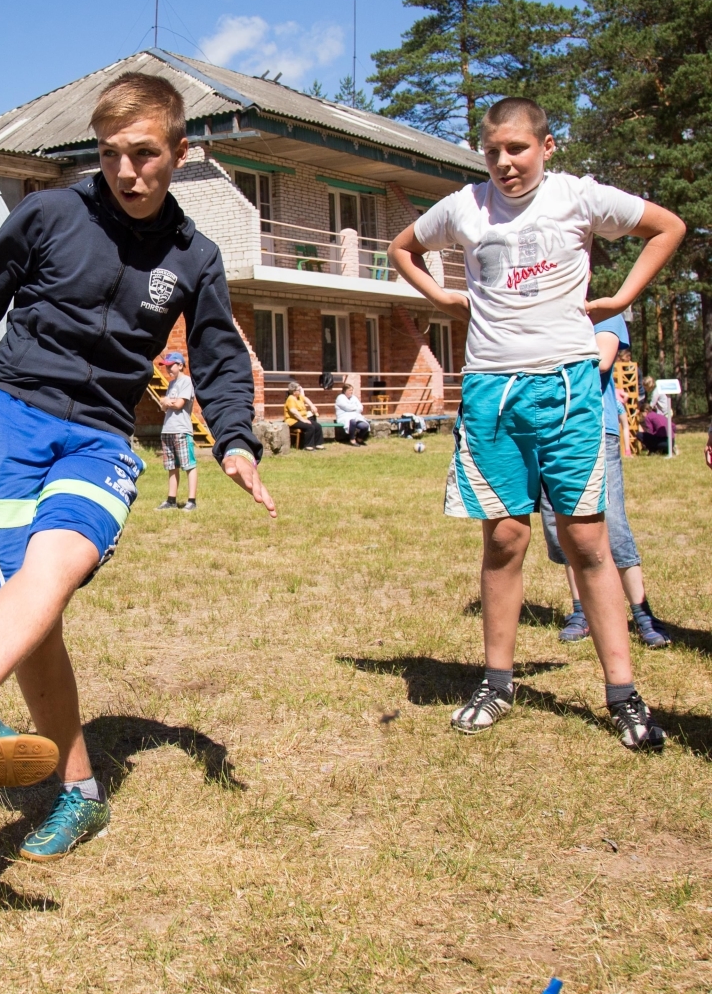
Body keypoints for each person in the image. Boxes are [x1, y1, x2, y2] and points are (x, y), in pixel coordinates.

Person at [0, 73, 274, 860]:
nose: (127, 172)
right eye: (110, 154)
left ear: (179, 152)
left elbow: (222, 355)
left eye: (145, 154)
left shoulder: (194, 256)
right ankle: (82, 792)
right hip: (8, 427)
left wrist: (233, 439)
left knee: (53, 571)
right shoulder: (51, 214)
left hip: (101, 437)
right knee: (35, 621)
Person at [388, 96, 685, 752]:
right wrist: (439, 295)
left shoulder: (579, 198)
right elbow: (402, 248)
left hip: (569, 387)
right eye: (492, 151)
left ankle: (623, 694)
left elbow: (668, 227)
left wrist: (626, 294)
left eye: (517, 149)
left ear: (547, 147)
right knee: (505, 540)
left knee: (586, 542)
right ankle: (497, 682)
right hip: (492, 391)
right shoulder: (465, 207)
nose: (504, 163)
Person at [538, 313, 668, 648]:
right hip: (548, 428)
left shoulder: (603, 311)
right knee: (558, 521)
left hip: (594, 427)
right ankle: (581, 611)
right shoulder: (542, 308)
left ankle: (641, 613)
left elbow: (600, 363)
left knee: (613, 521)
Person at [155, 351, 198, 510]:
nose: (167, 370)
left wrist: (166, 401)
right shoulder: (172, 384)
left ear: (180, 365)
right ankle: (171, 500)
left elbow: (178, 404)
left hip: (181, 430)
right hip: (168, 429)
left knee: (189, 465)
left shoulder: (186, 381)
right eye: (165, 367)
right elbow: (163, 407)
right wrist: (166, 402)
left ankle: (191, 501)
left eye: (170, 366)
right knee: (172, 466)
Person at [284, 381, 323, 450]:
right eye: (299, 390)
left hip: (302, 418)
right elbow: (294, 412)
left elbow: (306, 399)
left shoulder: (299, 397)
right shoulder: (290, 399)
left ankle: (318, 444)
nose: (300, 391)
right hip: (293, 420)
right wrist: (303, 420)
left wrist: (312, 406)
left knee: (317, 426)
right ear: (294, 391)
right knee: (310, 427)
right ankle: (308, 446)